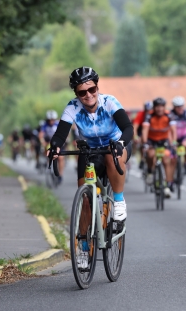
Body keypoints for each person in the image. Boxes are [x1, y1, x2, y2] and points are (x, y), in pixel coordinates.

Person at [47, 66, 133, 269]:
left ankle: (119, 203)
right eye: (82, 92)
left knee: (113, 157)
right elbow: (61, 134)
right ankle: (84, 248)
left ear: (97, 87)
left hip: (116, 145)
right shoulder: (72, 108)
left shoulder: (109, 102)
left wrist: (121, 142)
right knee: (85, 200)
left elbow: (128, 127)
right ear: (76, 93)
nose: (88, 95)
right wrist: (55, 146)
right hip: (90, 151)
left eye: (92, 89)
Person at [142, 97, 177, 198]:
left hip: (164, 140)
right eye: (157, 107)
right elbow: (145, 130)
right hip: (152, 140)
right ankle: (150, 171)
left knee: (166, 160)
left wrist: (174, 141)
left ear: (164, 107)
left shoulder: (169, 115)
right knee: (150, 154)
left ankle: (167, 184)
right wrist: (145, 142)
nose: (159, 109)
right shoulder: (149, 116)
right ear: (154, 107)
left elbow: (173, 130)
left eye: (161, 107)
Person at [170, 96, 186, 175]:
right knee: (172, 152)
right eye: (177, 107)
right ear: (174, 107)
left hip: (184, 136)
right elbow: (171, 130)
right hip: (174, 136)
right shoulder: (171, 114)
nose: (180, 108)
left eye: (181, 106)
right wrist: (173, 142)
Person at [40, 110, 64, 183]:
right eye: (49, 120)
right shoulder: (45, 125)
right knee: (47, 151)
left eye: (52, 120)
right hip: (48, 143)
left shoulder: (58, 124)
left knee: (60, 158)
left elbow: (64, 133)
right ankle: (47, 161)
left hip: (58, 143)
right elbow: (41, 134)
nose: (51, 121)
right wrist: (42, 141)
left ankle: (60, 175)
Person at [133, 101, 153, 169]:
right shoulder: (140, 114)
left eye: (150, 110)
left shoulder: (154, 115)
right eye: (147, 110)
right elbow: (135, 127)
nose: (148, 112)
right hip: (141, 130)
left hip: (151, 131)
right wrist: (135, 136)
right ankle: (142, 158)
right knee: (142, 141)